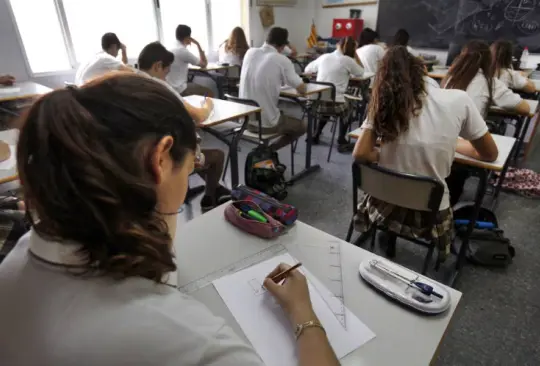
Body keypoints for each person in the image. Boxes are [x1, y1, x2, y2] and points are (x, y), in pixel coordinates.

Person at [0, 73, 339, 366]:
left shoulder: (18, 257)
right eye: (191, 166)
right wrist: (303, 313)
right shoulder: (188, 341)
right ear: (160, 159)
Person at [352, 47, 498, 260]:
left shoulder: (384, 101)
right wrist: (451, 143)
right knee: (454, 177)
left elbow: (361, 153)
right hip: (429, 217)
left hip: (382, 206)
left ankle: (387, 234)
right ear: (423, 70)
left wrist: (381, 155)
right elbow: (490, 154)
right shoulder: (459, 99)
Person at [138, 42, 230, 211]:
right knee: (216, 156)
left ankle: (215, 187)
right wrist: (208, 105)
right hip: (166, 155)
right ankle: (209, 199)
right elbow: (199, 116)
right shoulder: (160, 87)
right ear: (158, 66)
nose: (166, 77)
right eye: (166, 72)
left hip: (141, 152)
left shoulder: (130, 81)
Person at [240, 27, 307, 151]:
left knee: (274, 110)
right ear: (283, 45)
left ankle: (264, 152)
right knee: (302, 126)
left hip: (244, 120)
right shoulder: (282, 60)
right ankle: (269, 150)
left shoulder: (250, 52)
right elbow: (302, 89)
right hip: (266, 124)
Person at [304, 36, 364, 151]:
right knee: (350, 103)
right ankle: (341, 139)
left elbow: (307, 69)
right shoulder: (348, 60)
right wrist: (356, 57)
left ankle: (316, 134)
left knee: (328, 98)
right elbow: (361, 72)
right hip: (335, 105)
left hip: (315, 103)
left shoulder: (324, 57)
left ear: (338, 45)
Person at [441, 40, 530, 117]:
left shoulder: (449, 79)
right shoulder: (490, 83)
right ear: (488, 60)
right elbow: (525, 109)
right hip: (469, 134)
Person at [167, 24, 213, 97]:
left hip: (169, 88)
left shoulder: (171, 47)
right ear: (188, 37)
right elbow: (204, 64)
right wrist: (198, 44)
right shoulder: (182, 51)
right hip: (180, 89)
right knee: (209, 93)